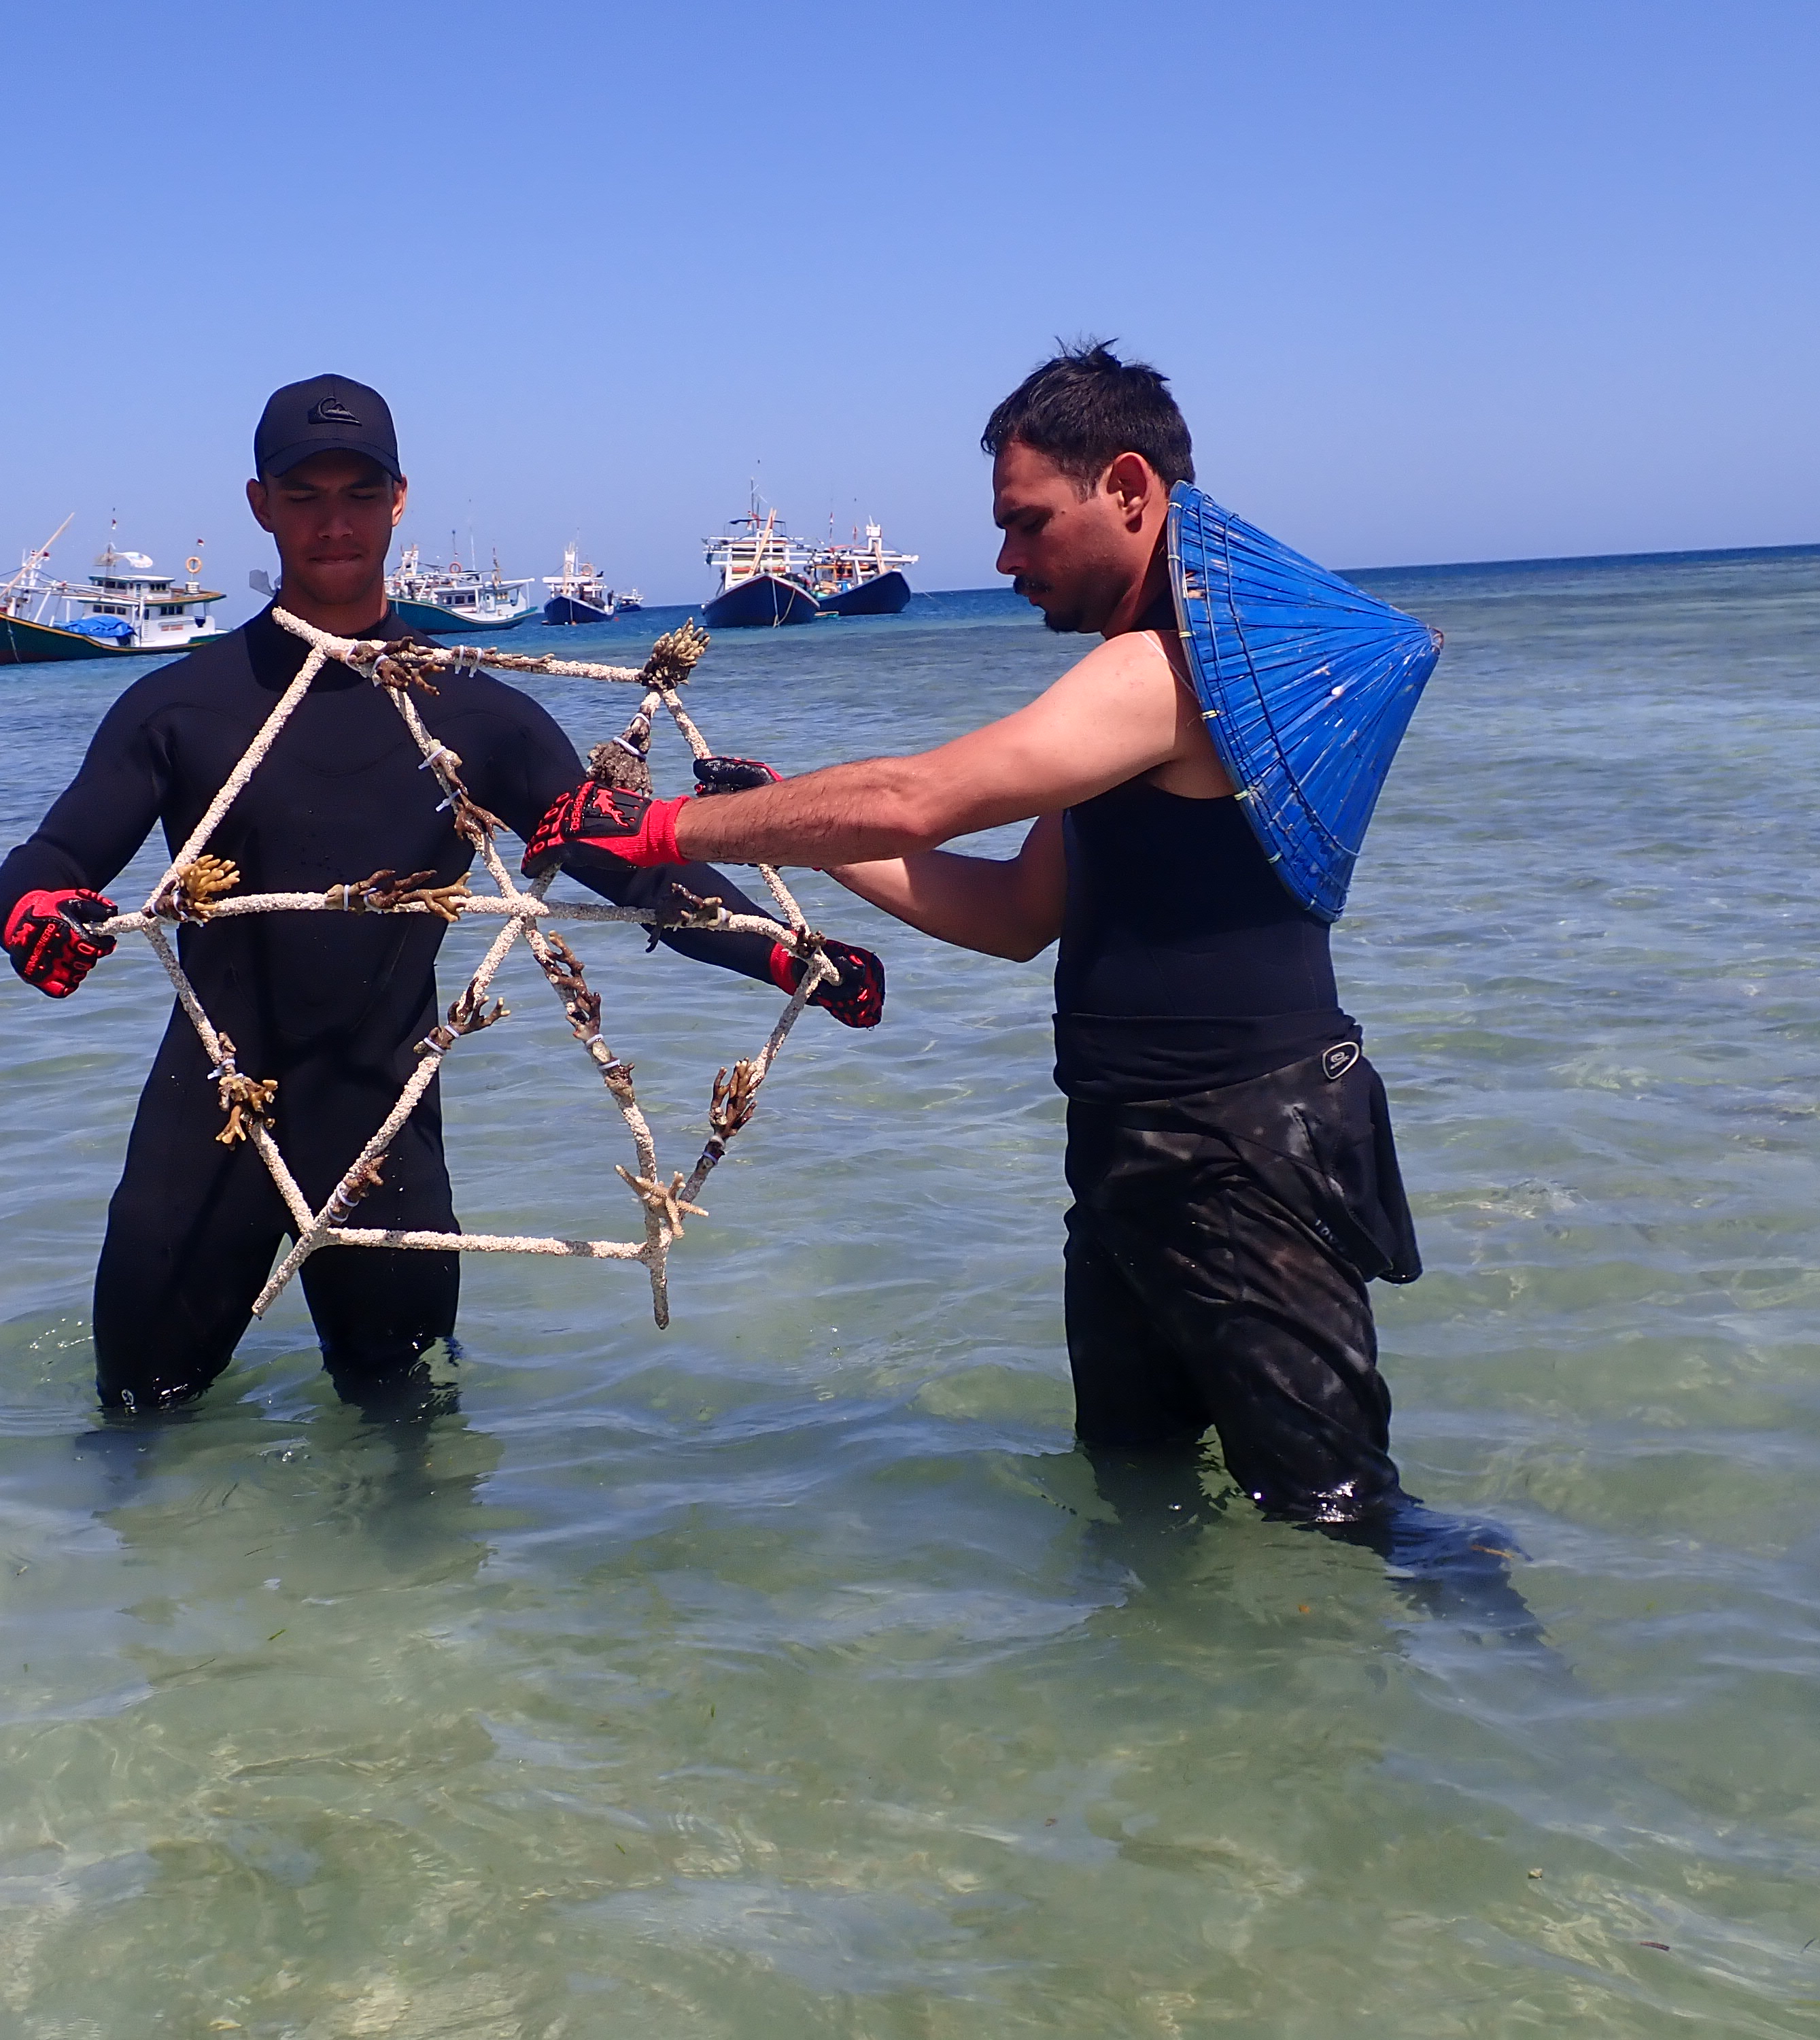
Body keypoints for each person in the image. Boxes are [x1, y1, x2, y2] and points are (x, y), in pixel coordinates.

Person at [523, 343, 1434, 1540]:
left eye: (1025, 524)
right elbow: (1018, 918)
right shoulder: (1141, 689)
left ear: (1128, 488)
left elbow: (919, 795)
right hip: (1128, 1157)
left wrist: (657, 830)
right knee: (1137, 1499)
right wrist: (796, 829)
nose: (1005, 561)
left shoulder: (1159, 677)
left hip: (1247, 1154)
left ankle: (1520, 1691)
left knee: (1346, 1525)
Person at [0, 375, 882, 1419]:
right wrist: (33, 918)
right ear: (259, 503)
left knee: (409, 1441)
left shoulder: (477, 716)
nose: (334, 521)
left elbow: (630, 864)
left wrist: (786, 954)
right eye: (305, 493)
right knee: (135, 1428)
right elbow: (56, 854)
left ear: (400, 501)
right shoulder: (180, 708)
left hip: (387, 1128)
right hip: (209, 1126)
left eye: (359, 494)